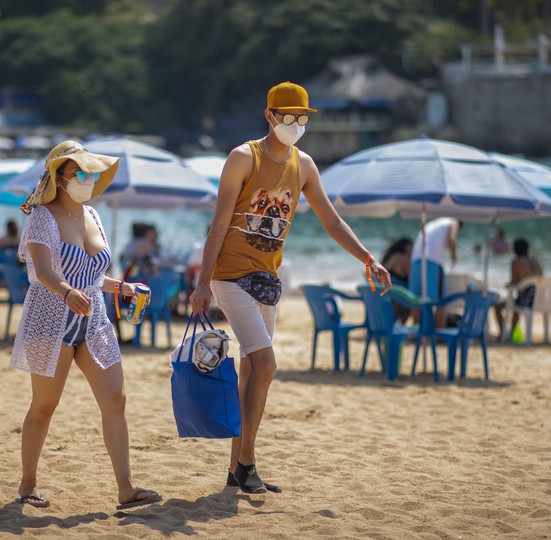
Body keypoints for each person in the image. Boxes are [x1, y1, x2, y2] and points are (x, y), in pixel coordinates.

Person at [189, 81, 391, 495]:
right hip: (229, 274)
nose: (295, 124)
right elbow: (218, 225)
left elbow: (332, 222)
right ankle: (247, 462)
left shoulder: (305, 165)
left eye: (302, 118)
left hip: (268, 279)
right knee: (266, 365)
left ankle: (236, 472)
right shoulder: (243, 157)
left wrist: (369, 259)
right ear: (270, 116)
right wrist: (201, 284)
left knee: (251, 370)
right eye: (287, 116)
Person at [10, 140, 161, 511]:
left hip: (92, 320)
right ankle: (28, 484)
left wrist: (121, 286)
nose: (87, 178)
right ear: (59, 177)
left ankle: (126, 489)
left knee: (116, 400)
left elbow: (93, 276)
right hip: (50, 317)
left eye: (91, 172)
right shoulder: (42, 217)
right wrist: (65, 293)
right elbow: (44, 271)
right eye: (79, 172)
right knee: (44, 407)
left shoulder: (91, 215)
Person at [409, 217, 461, 329]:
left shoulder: (433, 224)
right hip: (432, 260)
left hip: (415, 259)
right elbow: (452, 240)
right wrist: (454, 255)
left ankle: (416, 330)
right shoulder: (453, 222)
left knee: (415, 298)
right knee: (440, 300)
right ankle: (438, 332)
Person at [494, 238, 544, 337]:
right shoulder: (535, 261)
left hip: (525, 300)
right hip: (539, 300)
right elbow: (542, 279)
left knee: (498, 306)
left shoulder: (516, 262)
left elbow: (513, 282)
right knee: (515, 304)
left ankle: (502, 334)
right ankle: (511, 333)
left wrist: (509, 285)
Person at [381, 237, 413, 323]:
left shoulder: (390, 258)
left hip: (384, 302)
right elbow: (413, 281)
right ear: (407, 247)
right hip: (398, 302)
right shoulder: (404, 260)